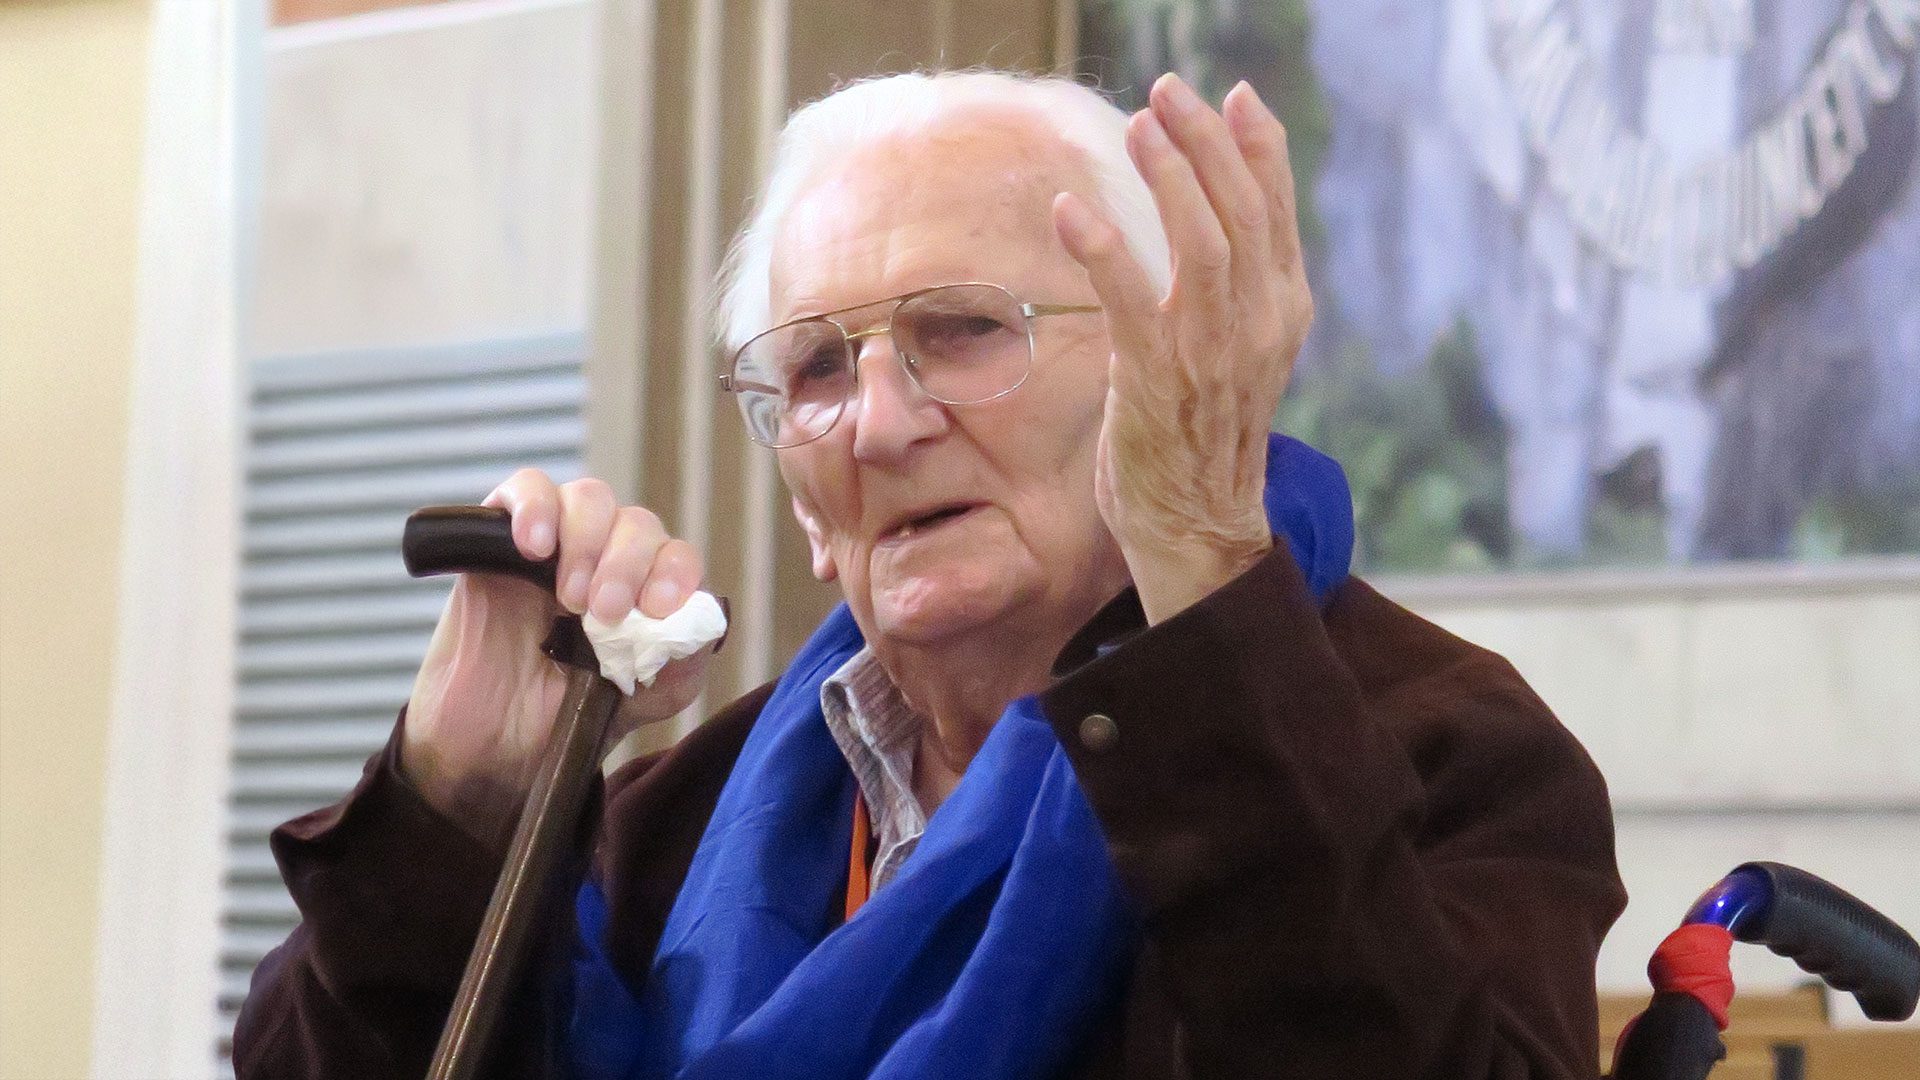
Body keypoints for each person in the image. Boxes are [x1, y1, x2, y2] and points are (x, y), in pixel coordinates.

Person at [233, 70, 1625, 1080]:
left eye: (962, 331)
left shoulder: (1442, 745)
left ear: (1169, 370)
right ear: (804, 505)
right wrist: (458, 809)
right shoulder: (668, 818)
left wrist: (1201, 561)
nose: (878, 424)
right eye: (819, 368)